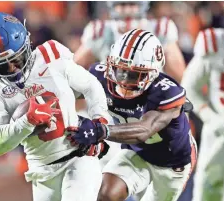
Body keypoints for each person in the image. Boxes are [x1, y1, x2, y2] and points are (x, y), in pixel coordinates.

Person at [0, 12, 111, 201]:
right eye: (3, 66)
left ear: (27, 45)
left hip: (78, 157)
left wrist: (99, 121)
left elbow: (91, 85)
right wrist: (26, 122)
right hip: (42, 172)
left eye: (16, 60)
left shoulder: (51, 57)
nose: (13, 69)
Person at [67, 29, 197, 201]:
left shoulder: (167, 93)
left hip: (172, 163)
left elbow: (144, 130)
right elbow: (67, 93)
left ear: (152, 73)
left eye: (134, 74)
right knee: (106, 194)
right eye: (120, 71)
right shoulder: (101, 76)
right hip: (138, 153)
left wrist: (100, 131)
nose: (124, 80)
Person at [181, 2, 224, 201]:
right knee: (208, 193)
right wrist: (210, 117)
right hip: (222, 132)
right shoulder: (215, 43)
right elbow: (188, 87)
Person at [74, 1, 185, 83]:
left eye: (132, 5)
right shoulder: (100, 32)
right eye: (122, 5)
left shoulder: (160, 30)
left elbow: (180, 78)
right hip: (112, 101)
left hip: (150, 100)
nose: (127, 11)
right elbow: (72, 74)